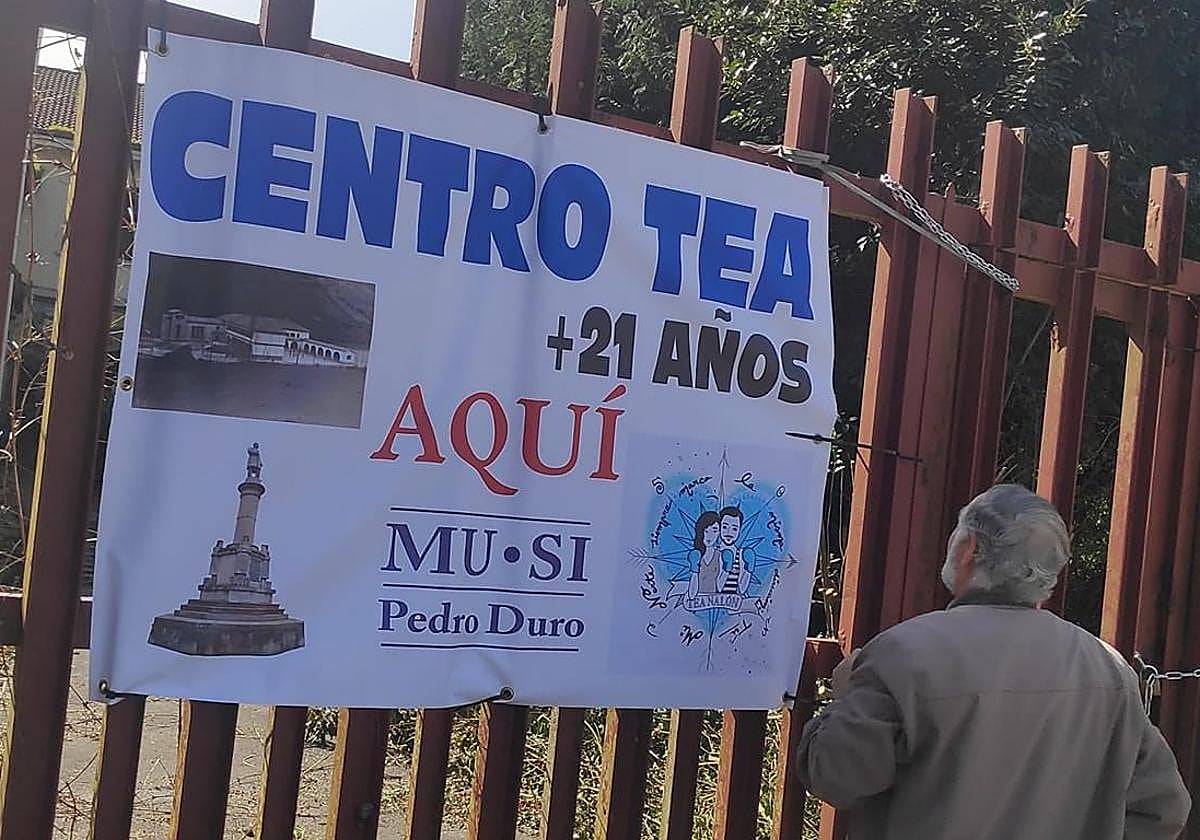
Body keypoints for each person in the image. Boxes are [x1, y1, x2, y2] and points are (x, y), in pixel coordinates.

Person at [797, 484, 1191, 840]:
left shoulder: (902, 654)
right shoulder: (1110, 669)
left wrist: (843, 697)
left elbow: (835, 776)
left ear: (969, 549)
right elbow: (1165, 809)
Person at [686, 511, 723, 600]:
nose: (710, 536)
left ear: (719, 533)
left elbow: (720, 587)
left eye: (714, 531)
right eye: (706, 531)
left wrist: (726, 570)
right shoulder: (696, 555)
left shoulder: (720, 556)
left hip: (716, 600)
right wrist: (694, 569)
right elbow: (691, 594)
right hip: (698, 600)